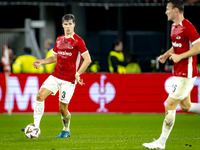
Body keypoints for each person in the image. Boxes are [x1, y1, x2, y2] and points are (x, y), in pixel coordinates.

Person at [21, 14, 92, 138]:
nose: (68, 26)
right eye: (66, 24)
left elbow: (87, 59)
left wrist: (78, 73)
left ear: (74, 24)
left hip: (68, 80)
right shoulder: (59, 39)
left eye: (70, 24)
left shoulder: (78, 41)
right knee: (39, 95)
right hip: (55, 75)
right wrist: (41, 61)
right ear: (62, 25)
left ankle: (66, 129)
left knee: (62, 108)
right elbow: (54, 57)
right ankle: (36, 126)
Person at [142, 0, 200, 149]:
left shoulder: (188, 26)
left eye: (167, 9)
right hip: (179, 72)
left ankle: (161, 143)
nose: (165, 12)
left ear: (176, 10)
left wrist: (180, 57)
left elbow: (198, 47)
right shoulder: (174, 27)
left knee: (169, 104)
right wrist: (167, 54)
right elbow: (177, 46)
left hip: (186, 73)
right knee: (186, 106)